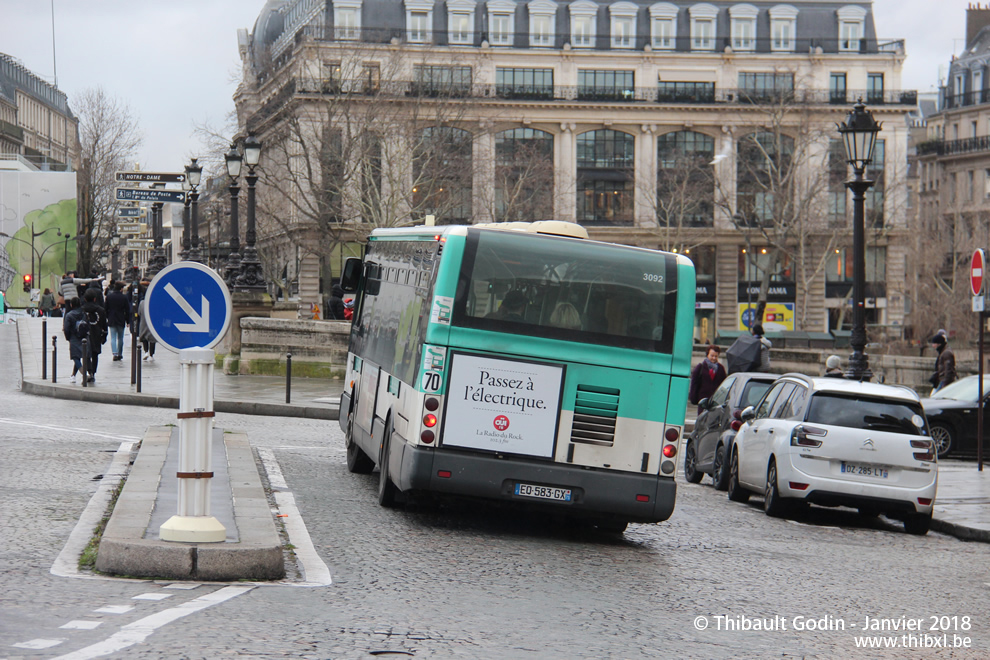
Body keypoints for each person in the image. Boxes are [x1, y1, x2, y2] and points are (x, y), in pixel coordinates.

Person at [80, 289, 109, 383]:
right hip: (97, 334)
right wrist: (105, 335)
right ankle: (93, 372)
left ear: (85, 299)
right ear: (95, 299)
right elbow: (104, 324)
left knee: (86, 354)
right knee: (95, 354)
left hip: (85, 334)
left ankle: (89, 371)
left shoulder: (82, 310)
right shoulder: (101, 310)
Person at [689, 344, 727, 411]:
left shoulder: (721, 369)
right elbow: (694, 384)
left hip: (716, 402)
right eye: (712, 356)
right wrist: (694, 399)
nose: (714, 358)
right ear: (707, 355)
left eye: (716, 356)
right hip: (703, 402)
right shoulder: (700, 367)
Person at [62, 297, 88, 383]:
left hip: (73, 337)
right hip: (83, 336)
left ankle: (83, 372)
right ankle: (73, 375)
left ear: (71, 305)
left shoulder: (69, 315)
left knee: (75, 357)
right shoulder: (84, 313)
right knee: (79, 356)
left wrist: (68, 337)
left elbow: (66, 328)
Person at [104, 280, 131, 361]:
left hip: (112, 318)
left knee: (113, 337)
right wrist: (128, 321)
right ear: (121, 289)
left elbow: (106, 308)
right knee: (120, 338)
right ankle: (120, 353)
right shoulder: (124, 297)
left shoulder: (109, 296)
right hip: (121, 318)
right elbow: (127, 309)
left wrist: (107, 317)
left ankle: (114, 353)